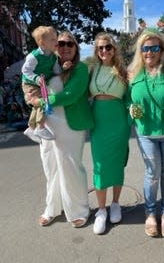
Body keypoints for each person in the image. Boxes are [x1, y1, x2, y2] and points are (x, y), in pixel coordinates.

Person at [30, 31, 94, 228]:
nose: (65, 47)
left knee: (70, 167)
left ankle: (79, 209)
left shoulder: (81, 69)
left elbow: (70, 94)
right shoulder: (49, 67)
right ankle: (52, 207)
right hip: (48, 124)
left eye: (70, 44)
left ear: (76, 48)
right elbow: (32, 82)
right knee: (51, 168)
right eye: (60, 43)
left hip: (70, 124)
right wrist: (31, 96)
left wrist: (41, 100)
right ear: (54, 46)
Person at [127, 28, 164, 238]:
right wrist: (130, 108)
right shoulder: (133, 73)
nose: (149, 52)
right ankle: (150, 213)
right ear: (140, 50)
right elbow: (126, 99)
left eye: (154, 47)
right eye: (145, 48)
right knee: (152, 173)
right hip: (145, 133)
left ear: (161, 49)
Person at [89, 32, 130, 235]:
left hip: (119, 121)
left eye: (108, 47)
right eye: (100, 48)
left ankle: (115, 203)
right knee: (100, 164)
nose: (104, 51)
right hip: (98, 120)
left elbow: (130, 98)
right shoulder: (91, 69)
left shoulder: (123, 71)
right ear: (96, 51)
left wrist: (133, 115)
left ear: (114, 50)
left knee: (117, 163)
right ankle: (101, 210)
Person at [22, 26, 60, 143]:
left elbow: (56, 70)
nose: (56, 41)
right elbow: (25, 70)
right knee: (42, 102)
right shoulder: (34, 56)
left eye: (56, 38)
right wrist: (36, 78)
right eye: (52, 39)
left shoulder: (53, 56)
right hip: (31, 83)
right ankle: (40, 127)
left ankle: (31, 128)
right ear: (42, 42)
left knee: (38, 105)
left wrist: (63, 71)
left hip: (41, 84)